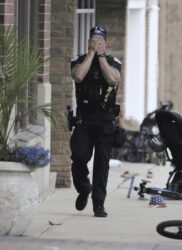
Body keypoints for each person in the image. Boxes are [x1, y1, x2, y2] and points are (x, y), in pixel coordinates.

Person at [70, 26, 121, 217]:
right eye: (94, 39)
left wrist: (100, 56)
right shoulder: (79, 60)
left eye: (101, 40)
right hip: (85, 119)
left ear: (106, 43)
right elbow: (78, 75)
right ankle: (84, 189)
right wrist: (91, 54)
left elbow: (112, 80)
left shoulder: (113, 62)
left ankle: (98, 204)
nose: (97, 42)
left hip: (105, 120)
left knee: (102, 164)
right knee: (79, 158)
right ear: (89, 41)